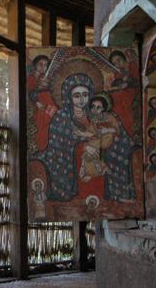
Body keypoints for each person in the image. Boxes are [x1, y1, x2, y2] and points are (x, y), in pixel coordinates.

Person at [36, 74, 138, 203]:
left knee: (118, 145)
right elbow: (60, 138)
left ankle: (117, 192)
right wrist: (85, 142)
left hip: (99, 145)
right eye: (77, 96)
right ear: (69, 97)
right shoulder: (62, 115)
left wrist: (103, 137)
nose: (81, 100)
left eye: (85, 95)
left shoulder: (95, 112)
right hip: (70, 151)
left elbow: (114, 129)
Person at [27, 55, 57, 149]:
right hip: (40, 102)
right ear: (35, 65)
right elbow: (31, 92)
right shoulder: (31, 78)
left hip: (49, 101)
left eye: (45, 65)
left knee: (52, 122)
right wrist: (37, 103)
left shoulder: (45, 77)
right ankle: (42, 146)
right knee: (42, 122)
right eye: (40, 64)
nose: (43, 67)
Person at [108, 50, 140, 136]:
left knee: (121, 97)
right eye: (115, 63)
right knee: (113, 97)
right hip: (125, 92)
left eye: (119, 60)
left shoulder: (133, 65)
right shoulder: (118, 74)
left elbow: (139, 81)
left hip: (135, 91)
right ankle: (122, 125)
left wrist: (128, 83)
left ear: (124, 58)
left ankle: (129, 126)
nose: (117, 64)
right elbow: (117, 84)